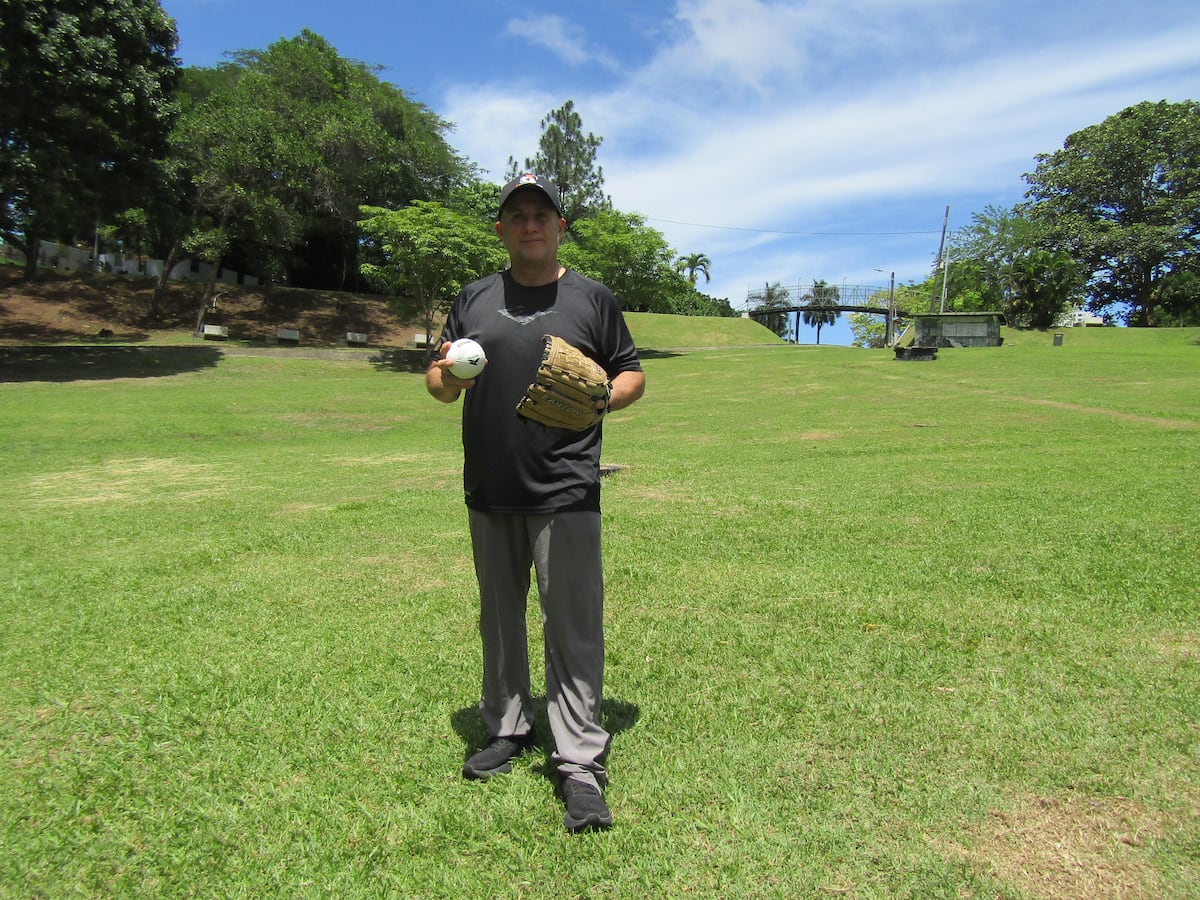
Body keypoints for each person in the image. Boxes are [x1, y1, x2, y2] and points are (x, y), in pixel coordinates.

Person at [427, 172, 645, 832]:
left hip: (567, 486)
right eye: (517, 215)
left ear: (560, 227)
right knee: (499, 618)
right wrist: (446, 373)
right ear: (501, 228)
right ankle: (507, 727)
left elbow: (631, 373)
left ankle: (579, 762)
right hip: (490, 485)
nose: (530, 224)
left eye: (541, 215)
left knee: (572, 624)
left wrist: (604, 394)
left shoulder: (592, 298)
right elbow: (438, 385)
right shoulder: (473, 298)